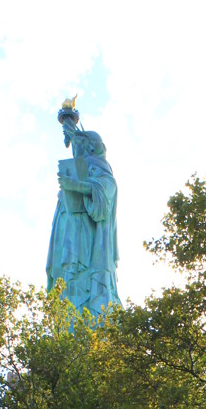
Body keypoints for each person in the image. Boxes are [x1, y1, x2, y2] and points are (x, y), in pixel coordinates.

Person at [45, 124, 120, 317]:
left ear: (91, 147)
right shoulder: (81, 165)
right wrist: (70, 127)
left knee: (82, 279)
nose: (76, 148)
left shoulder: (97, 162)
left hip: (86, 236)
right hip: (67, 229)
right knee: (67, 279)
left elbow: (107, 187)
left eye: (80, 144)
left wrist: (77, 186)